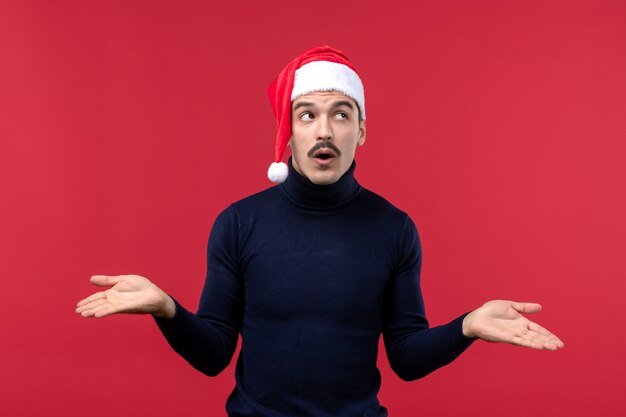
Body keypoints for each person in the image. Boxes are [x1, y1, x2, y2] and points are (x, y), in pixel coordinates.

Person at [76, 46, 564, 417]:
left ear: (362, 131)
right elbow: (213, 354)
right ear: (288, 131)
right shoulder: (239, 223)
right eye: (307, 114)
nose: (324, 131)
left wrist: (467, 326)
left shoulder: (394, 229)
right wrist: (167, 308)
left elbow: (407, 358)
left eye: (341, 114)